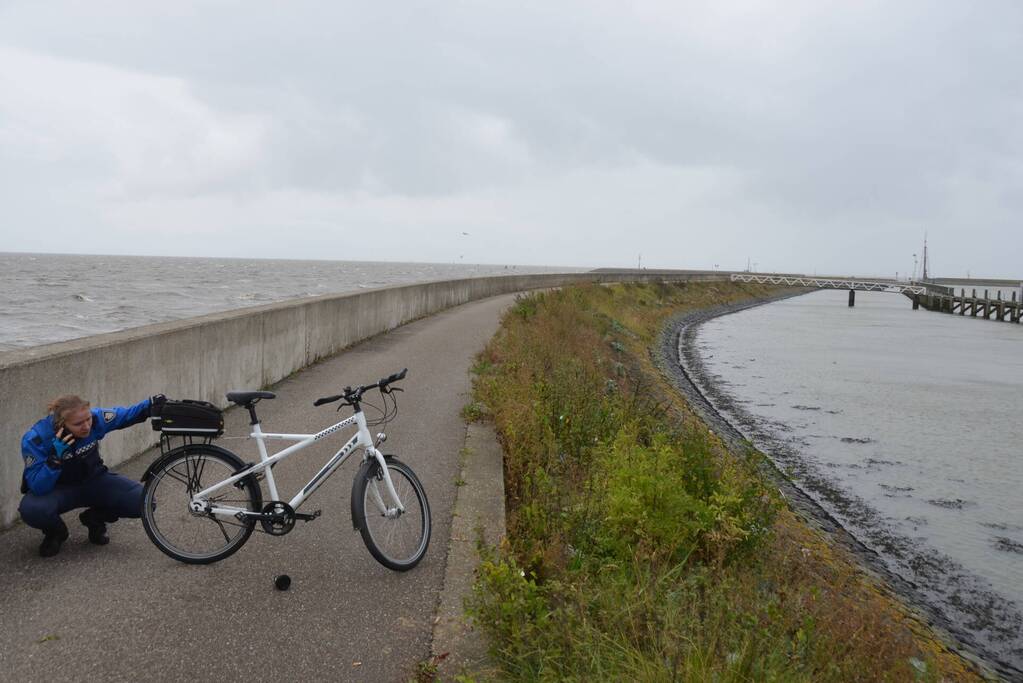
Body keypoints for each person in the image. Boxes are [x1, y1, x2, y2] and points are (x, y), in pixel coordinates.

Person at [19, 394, 163, 557]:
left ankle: (94, 518)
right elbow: (38, 486)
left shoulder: (95, 418)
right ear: (61, 424)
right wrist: (55, 460)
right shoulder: (36, 438)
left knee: (145, 502)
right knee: (32, 509)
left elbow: (126, 415)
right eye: (78, 424)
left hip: (94, 481)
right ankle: (56, 533)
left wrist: (150, 404)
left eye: (88, 419)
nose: (86, 426)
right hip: (59, 489)